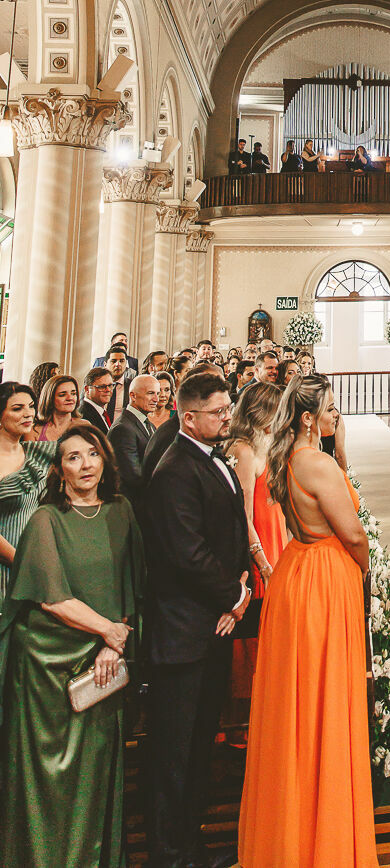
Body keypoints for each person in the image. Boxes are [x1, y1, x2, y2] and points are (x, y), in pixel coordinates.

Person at [239, 377, 377, 867]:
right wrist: (363, 569)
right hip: (325, 576)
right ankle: (326, 836)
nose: (337, 415)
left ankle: (293, 824)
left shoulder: (285, 459)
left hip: (295, 568)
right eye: (331, 409)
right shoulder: (317, 464)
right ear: (307, 418)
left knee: (296, 699)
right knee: (327, 695)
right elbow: (353, 534)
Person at [0, 423, 143, 868]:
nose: (85, 465)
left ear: (105, 460)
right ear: (59, 469)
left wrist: (113, 645)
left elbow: (132, 586)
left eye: (93, 454)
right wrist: (109, 632)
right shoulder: (46, 518)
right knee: (50, 783)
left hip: (101, 666)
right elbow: (51, 598)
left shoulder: (121, 510)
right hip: (45, 669)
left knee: (95, 775)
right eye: (74, 457)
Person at [144, 372, 252, 868]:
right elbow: (186, 553)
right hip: (183, 633)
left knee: (198, 747)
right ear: (189, 418)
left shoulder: (211, 455)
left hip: (209, 626)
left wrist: (238, 588)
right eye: (218, 412)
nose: (227, 417)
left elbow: (228, 529)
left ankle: (190, 845)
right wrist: (234, 595)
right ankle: (169, 854)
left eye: (228, 408)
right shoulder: (174, 471)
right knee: (174, 753)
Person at [227, 383, 286, 705]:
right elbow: (242, 515)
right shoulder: (243, 451)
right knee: (256, 631)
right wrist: (262, 562)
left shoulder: (263, 444)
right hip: (259, 545)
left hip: (275, 538)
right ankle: (250, 707)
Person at [0, 383, 56, 604]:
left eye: (31, 406)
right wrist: (23, 563)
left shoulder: (40, 453)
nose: (28, 413)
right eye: (17, 408)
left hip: (35, 560)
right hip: (7, 569)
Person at [108, 374, 159, 508]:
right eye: (150, 393)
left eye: (157, 393)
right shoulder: (122, 429)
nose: (156, 399)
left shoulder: (149, 424)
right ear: (133, 396)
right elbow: (132, 477)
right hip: (132, 506)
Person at [35, 373, 80, 440]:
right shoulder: (35, 430)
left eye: (73, 394)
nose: (70, 398)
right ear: (50, 398)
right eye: (62, 395)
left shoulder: (85, 426)